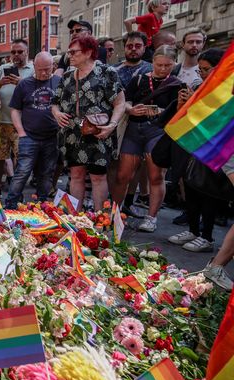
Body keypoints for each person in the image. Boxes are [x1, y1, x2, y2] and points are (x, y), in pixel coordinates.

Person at [112, 46, 182, 232]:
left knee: (156, 176)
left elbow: (179, 111)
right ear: (153, 63)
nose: (163, 69)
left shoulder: (177, 84)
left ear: (174, 63)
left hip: (157, 131)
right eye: (159, 65)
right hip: (134, 129)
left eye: (168, 65)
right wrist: (131, 109)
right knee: (123, 175)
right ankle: (115, 213)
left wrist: (160, 111)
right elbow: (124, 101)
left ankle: (151, 218)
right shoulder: (140, 79)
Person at [51, 35, 125, 212]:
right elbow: (54, 102)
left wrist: (112, 125)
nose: (69, 55)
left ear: (88, 52)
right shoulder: (67, 76)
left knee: (98, 177)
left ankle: (99, 219)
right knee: (75, 175)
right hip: (71, 134)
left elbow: (120, 103)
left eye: (73, 52)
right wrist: (57, 113)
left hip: (98, 132)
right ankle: (76, 218)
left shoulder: (107, 72)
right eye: (69, 52)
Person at [168, 48, 225, 253]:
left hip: (216, 148)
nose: (201, 74)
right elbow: (185, 116)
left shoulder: (228, 90)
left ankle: (207, 237)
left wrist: (197, 103)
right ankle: (193, 229)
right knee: (191, 185)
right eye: (200, 70)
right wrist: (185, 103)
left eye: (206, 69)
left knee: (208, 191)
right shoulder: (200, 86)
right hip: (194, 143)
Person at [6, 52, 61, 209]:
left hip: (52, 136)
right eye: (40, 69)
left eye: (47, 69)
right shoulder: (24, 84)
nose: (44, 73)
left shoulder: (59, 82)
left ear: (53, 67)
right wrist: (21, 133)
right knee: (22, 171)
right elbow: (15, 110)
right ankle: (11, 204)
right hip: (29, 136)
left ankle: (42, 204)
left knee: (46, 173)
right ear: (34, 67)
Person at [0, 39, 34, 195]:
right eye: (13, 52)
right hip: (1, 120)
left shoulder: (33, 69)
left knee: (21, 159)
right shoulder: (3, 68)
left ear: (26, 53)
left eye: (20, 52)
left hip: (21, 124)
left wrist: (22, 83)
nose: (16, 55)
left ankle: (17, 191)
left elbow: (37, 92)